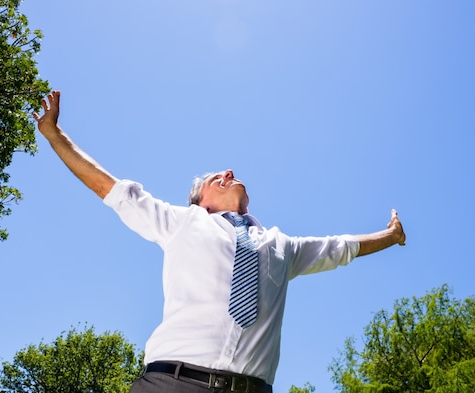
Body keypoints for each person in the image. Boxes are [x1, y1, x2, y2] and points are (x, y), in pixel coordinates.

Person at [34, 90, 406, 393]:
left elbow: (341, 247)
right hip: (171, 383)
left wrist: (390, 236)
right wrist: (55, 135)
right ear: (201, 199)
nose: (229, 173)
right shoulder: (181, 222)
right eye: (218, 177)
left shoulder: (282, 247)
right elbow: (109, 187)